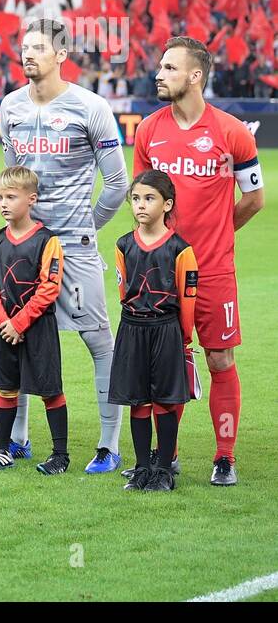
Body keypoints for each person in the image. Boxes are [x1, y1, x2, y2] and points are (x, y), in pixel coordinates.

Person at [0, 19, 129, 475]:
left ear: (62, 54)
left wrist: (84, 226)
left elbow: (118, 183)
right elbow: (12, 180)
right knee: (18, 337)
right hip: (24, 248)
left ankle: (108, 445)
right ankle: (17, 440)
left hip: (74, 248)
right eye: (23, 47)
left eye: (38, 47)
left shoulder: (90, 107)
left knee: (98, 342)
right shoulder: (10, 106)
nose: (28, 54)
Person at [133, 36, 264, 486]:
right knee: (162, 363)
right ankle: (164, 454)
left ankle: (224, 456)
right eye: (160, 66)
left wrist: (218, 235)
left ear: (195, 76)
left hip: (213, 272)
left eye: (169, 67)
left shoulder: (232, 133)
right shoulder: (148, 131)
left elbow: (254, 199)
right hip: (160, 274)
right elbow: (143, 199)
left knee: (221, 360)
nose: (159, 74)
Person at [110, 170, 198, 493]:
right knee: (138, 402)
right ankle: (142, 468)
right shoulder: (122, 245)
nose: (141, 206)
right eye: (135, 199)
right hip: (132, 329)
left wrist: (184, 338)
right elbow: (122, 291)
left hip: (166, 331)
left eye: (149, 199)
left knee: (163, 401)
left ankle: (163, 469)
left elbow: (187, 300)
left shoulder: (180, 249)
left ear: (167, 204)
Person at [0, 166, 69, 475]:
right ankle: (1, 448)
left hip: (37, 328)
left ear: (31, 199)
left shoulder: (47, 241)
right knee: (6, 389)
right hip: (5, 329)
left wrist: (20, 323)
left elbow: (50, 287)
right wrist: (5, 321)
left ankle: (60, 455)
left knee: (49, 390)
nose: (3, 203)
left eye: (11, 197)